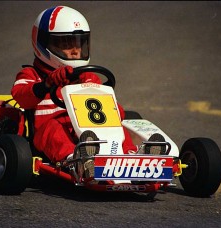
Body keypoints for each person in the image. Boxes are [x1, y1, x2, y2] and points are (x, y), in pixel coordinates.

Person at [11, 6, 136, 177]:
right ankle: (76, 161)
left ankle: (131, 157)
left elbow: (105, 111)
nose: (76, 50)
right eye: (66, 44)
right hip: (47, 133)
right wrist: (46, 84)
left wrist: (113, 111)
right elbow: (20, 96)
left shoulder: (88, 77)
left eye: (78, 43)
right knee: (53, 130)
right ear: (43, 43)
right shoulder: (32, 75)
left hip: (86, 130)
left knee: (117, 127)